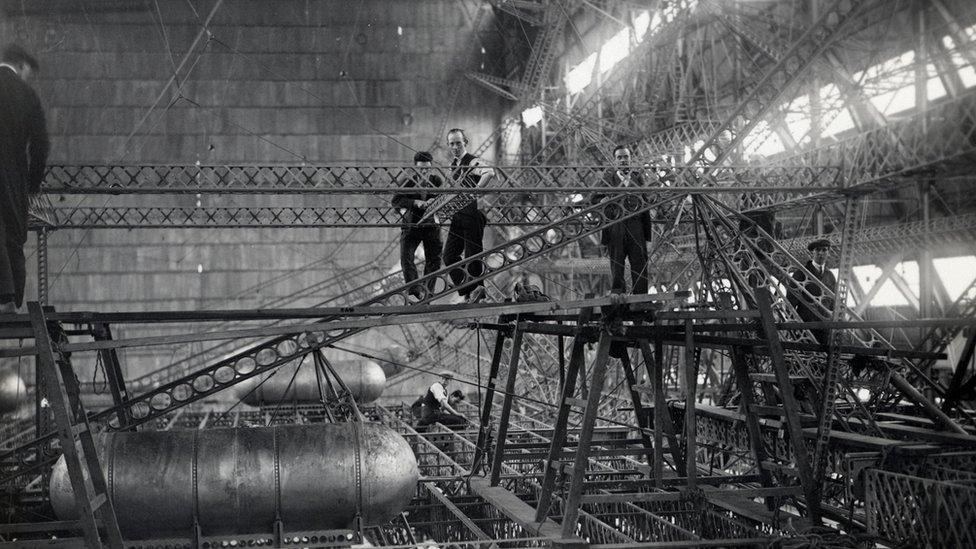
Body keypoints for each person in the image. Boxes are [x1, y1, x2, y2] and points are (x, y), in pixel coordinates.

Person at [0, 44, 48, 314]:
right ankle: (12, 300)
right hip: (13, 178)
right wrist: (32, 184)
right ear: (21, 66)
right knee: (14, 235)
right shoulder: (27, 94)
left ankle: (4, 296)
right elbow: (41, 145)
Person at [591, 145, 652, 295]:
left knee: (639, 262)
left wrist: (647, 236)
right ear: (615, 161)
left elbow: (647, 203)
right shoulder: (608, 179)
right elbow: (593, 198)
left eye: (626, 157)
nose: (623, 160)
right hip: (615, 227)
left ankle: (641, 296)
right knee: (616, 263)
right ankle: (618, 292)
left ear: (630, 159)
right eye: (620, 157)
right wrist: (601, 201)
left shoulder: (638, 178)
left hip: (636, 226)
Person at [443, 128, 493, 303]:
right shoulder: (454, 165)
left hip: (472, 213)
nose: (455, 146)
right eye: (452, 144)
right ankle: (469, 289)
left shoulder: (472, 161)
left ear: (465, 142)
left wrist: (474, 191)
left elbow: (489, 172)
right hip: (458, 215)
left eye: (458, 142)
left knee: (472, 254)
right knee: (449, 256)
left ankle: (477, 291)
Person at [391, 151, 443, 299]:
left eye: (427, 168)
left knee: (434, 261)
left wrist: (435, 202)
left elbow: (444, 198)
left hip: (431, 225)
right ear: (415, 168)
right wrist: (415, 203)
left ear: (431, 167)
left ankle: (427, 293)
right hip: (411, 225)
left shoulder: (437, 181)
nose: (425, 171)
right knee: (406, 258)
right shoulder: (408, 181)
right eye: (421, 168)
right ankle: (415, 290)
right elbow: (395, 201)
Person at [789, 239, 837, 345]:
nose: (821, 253)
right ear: (812, 252)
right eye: (817, 250)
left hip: (825, 328)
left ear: (828, 252)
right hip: (806, 327)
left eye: (824, 250)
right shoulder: (800, 273)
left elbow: (833, 303)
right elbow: (790, 302)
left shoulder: (830, 276)